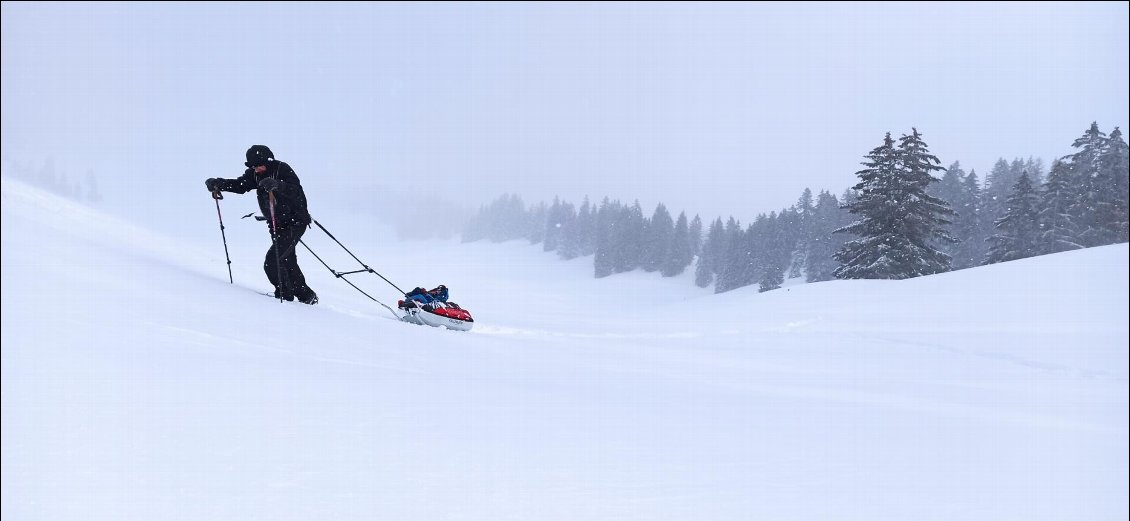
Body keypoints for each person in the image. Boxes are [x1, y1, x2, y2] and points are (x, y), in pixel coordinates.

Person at [205, 145, 318, 304]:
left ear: (268, 161)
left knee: (272, 261)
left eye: (258, 166)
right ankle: (306, 296)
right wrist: (219, 183)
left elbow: (296, 191)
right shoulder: (254, 174)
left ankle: (284, 296)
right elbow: (241, 185)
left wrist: (278, 185)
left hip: (295, 222)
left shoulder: (282, 169)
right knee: (287, 260)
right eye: (253, 167)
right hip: (276, 224)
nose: (256, 169)